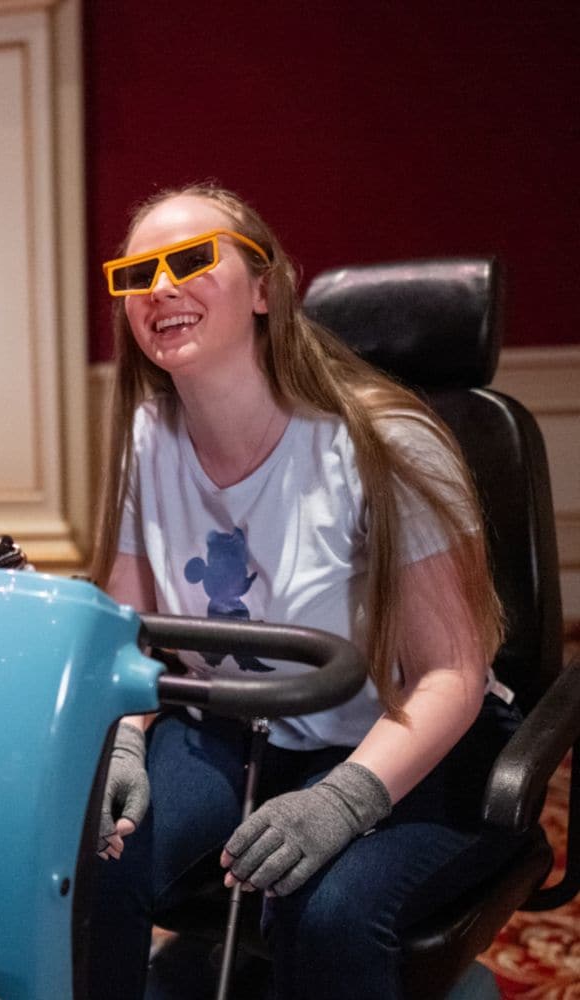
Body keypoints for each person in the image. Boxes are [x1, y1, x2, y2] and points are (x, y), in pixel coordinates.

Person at [87, 182, 524, 998]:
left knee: (324, 912)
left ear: (264, 288)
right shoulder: (146, 437)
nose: (158, 287)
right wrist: (123, 741)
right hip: (242, 731)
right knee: (97, 849)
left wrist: (344, 802)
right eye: (135, 273)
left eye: (188, 262)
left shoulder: (386, 444)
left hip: (405, 740)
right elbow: (128, 635)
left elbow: (452, 674)